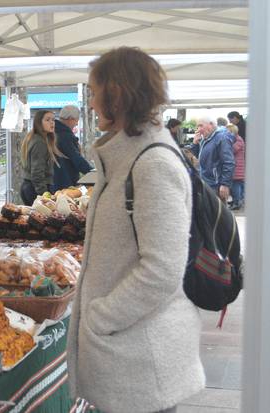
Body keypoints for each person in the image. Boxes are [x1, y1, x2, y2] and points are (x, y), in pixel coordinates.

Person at [66, 47, 204, 413]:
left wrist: (102, 317)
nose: (91, 102)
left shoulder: (152, 162)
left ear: (117, 95)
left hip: (142, 359)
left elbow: (162, 270)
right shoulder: (128, 156)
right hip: (129, 351)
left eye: (94, 92)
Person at [20, 110, 62, 204]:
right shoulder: (39, 142)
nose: (52, 122)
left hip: (30, 186)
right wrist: (44, 195)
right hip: (35, 189)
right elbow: (37, 172)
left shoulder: (36, 138)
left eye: (53, 120)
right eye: (47, 120)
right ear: (39, 123)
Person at [190, 116, 235, 201]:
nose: (198, 129)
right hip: (206, 183)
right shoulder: (207, 138)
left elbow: (229, 162)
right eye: (198, 126)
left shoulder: (222, 138)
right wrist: (195, 144)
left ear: (211, 124)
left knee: (217, 213)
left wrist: (225, 184)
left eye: (200, 126)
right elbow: (201, 157)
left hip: (215, 185)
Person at [52, 105, 93, 191]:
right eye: (76, 120)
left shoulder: (54, 132)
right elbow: (76, 158)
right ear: (70, 119)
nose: (77, 124)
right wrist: (92, 173)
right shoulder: (65, 136)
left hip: (55, 181)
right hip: (64, 182)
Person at [226, 123, 245, 210]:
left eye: (227, 131)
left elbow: (231, 150)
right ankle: (236, 200)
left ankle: (237, 202)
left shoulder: (238, 140)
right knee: (236, 185)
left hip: (237, 167)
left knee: (235, 186)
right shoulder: (237, 139)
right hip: (237, 166)